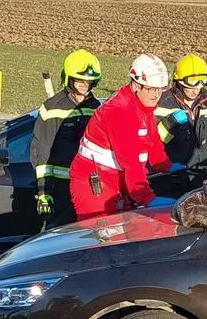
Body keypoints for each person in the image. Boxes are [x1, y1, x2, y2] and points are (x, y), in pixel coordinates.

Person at [69, 53, 173, 221]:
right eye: (151, 89)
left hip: (117, 182)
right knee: (100, 238)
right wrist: (148, 199)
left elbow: (152, 142)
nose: (156, 95)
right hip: (95, 184)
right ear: (136, 85)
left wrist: (166, 166)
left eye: (159, 89)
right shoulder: (120, 110)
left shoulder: (144, 107)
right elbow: (131, 161)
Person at [32, 49, 102, 229]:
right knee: (55, 235)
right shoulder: (52, 107)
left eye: (88, 81)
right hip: (60, 188)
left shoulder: (96, 107)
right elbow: (42, 150)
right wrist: (43, 191)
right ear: (68, 78)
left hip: (88, 185)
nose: (84, 85)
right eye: (80, 80)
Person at [156, 54, 207, 169]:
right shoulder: (164, 103)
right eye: (191, 86)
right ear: (179, 82)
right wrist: (169, 124)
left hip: (202, 169)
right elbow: (154, 142)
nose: (196, 91)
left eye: (200, 86)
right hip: (172, 171)